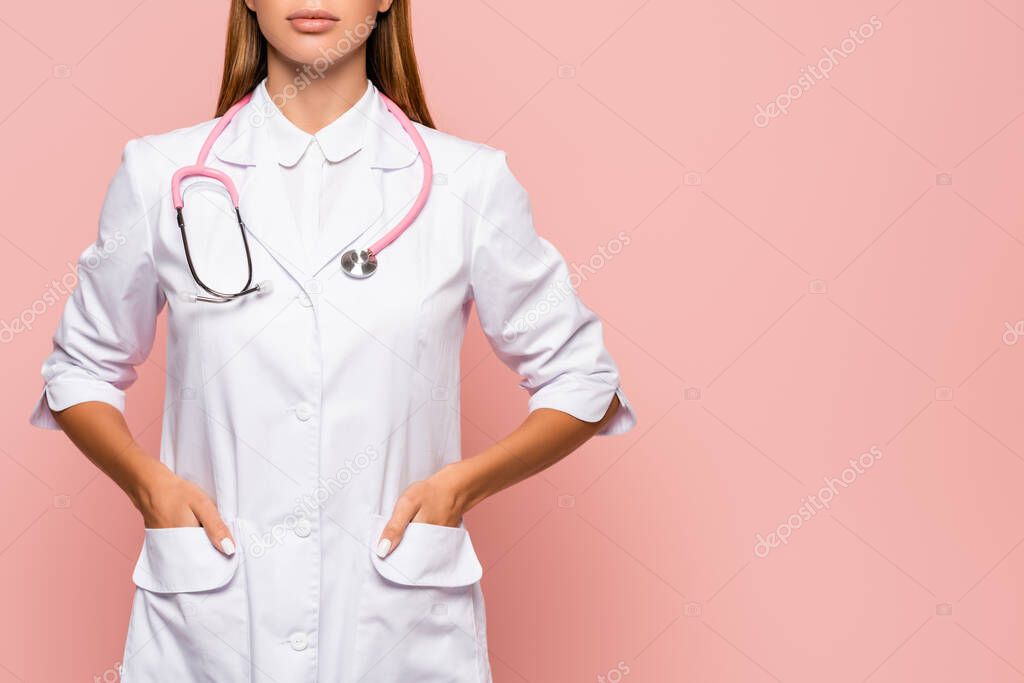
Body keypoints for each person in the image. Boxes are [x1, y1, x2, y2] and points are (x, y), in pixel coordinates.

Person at [29, 1, 635, 680]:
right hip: (212, 617)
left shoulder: (467, 183)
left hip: (396, 619)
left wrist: (461, 487)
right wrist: (149, 486)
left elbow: (585, 380)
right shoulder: (159, 172)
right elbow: (80, 366)